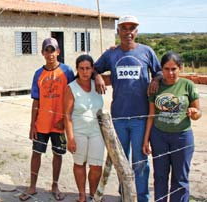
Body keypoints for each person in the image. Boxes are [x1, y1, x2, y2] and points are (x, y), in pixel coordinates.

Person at [93, 15, 162, 202]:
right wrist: (98, 75)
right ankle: (125, 195)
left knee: (140, 162)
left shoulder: (146, 52)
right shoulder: (111, 54)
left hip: (141, 118)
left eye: (132, 28)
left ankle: (142, 198)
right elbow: (93, 68)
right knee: (120, 162)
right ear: (118, 31)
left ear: (137, 32)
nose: (128, 32)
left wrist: (155, 79)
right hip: (119, 118)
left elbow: (160, 71)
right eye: (124, 28)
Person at [19, 38, 75, 201]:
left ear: (58, 52)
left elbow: (72, 97)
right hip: (42, 123)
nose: (50, 54)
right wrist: (32, 124)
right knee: (36, 154)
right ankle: (32, 186)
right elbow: (36, 101)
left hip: (59, 124)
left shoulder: (67, 72)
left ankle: (55, 185)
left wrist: (65, 120)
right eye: (47, 50)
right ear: (43, 53)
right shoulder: (38, 74)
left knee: (58, 155)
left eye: (53, 50)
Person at [143, 52, 201, 202]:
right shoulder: (155, 87)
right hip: (159, 137)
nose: (170, 73)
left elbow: (198, 113)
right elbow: (151, 115)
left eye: (174, 69)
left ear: (180, 68)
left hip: (182, 137)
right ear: (161, 69)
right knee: (160, 176)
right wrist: (146, 140)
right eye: (166, 69)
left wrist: (194, 113)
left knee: (180, 177)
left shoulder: (187, 85)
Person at [64, 54, 105, 202]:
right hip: (78, 131)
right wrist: (71, 138)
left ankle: (93, 194)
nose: (85, 72)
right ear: (77, 69)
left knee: (96, 166)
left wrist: (99, 76)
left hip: (97, 132)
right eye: (81, 68)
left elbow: (117, 79)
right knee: (79, 163)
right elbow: (67, 115)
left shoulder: (98, 84)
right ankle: (81, 195)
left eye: (88, 68)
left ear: (93, 69)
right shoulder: (71, 88)